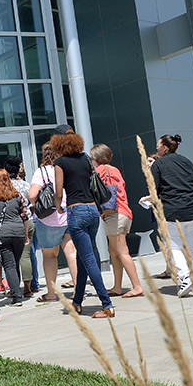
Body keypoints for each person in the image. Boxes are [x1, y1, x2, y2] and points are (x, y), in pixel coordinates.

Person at [53, 131, 114, 318]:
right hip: (93, 210)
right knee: (83, 255)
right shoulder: (86, 159)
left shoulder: (60, 163)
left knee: (88, 258)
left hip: (76, 210)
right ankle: (77, 302)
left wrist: (58, 206)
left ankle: (107, 304)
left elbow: (58, 191)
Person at [141, 134, 193, 297]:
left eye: (158, 146)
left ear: (164, 148)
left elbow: (153, 191)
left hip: (172, 211)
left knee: (173, 246)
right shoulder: (186, 161)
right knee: (190, 246)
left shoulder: (159, 164)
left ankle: (186, 278)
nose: (156, 148)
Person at [92, 144, 143, 298]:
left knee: (122, 251)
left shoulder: (100, 170)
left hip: (114, 214)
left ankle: (137, 286)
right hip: (124, 212)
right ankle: (117, 286)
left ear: (97, 159)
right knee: (113, 251)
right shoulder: (115, 169)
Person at [28, 143, 76, 303]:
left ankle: (51, 293)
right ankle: (78, 289)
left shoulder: (41, 172)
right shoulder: (66, 168)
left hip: (49, 219)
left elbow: (32, 195)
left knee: (49, 256)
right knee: (72, 253)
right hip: (69, 215)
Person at [0, 169, 28, 305]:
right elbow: (25, 217)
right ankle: (16, 290)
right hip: (18, 233)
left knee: (9, 265)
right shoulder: (17, 196)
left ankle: (16, 296)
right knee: (14, 263)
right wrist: (26, 235)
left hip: (1, 234)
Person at [5, 155, 37, 294]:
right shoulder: (25, 185)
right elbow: (32, 203)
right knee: (25, 256)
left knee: (11, 259)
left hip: (10, 223)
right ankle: (28, 288)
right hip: (27, 221)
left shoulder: (4, 187)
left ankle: (14, 289)